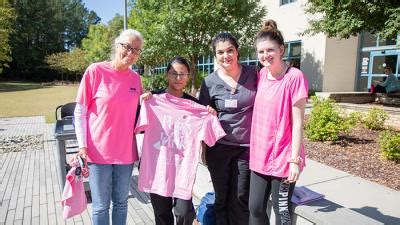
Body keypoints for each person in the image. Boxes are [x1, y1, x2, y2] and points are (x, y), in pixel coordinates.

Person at [136, 56, 225, 225]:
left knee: (184, 213)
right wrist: (142, 104)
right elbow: (137, 127)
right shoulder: (153, 100)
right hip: (157, 169)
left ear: (188, 76)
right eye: (173, 73)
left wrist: (209, 115)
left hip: (182, 171)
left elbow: (212, 137)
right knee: (162, 214)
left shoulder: (196, 106)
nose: (178, 78)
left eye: (182, 74)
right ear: (167, 75)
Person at [73, 29, 144, 225]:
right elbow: (80, 112)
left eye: (136, 50)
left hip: (125, 153)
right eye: (127, 47)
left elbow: (140, 113)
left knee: (121, 203)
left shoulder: (136, 80)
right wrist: (82, 147)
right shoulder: (95, 71)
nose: (130, 54)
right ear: (117, 45)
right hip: (98, 153)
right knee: (100, 206)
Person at [248, 20, 308, 225]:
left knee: (280, 209)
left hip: (284, 157)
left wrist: (294, 160)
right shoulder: (262, 74)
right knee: (255, 208)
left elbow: (298, 123)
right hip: (260, 155)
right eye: (261, 51)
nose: (265, 55)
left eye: (270, 50)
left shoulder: (295, 77)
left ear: (281, 49)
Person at [199, 32, 258, 225]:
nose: (226, 56)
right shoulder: (209, 82)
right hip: (219, 148)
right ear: (215, 56)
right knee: (221, 198)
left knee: (241, 197)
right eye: (220, 52)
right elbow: (202, 118)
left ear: (237, 51)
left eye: (230, 51)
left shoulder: (254, 74)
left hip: (246, 149)